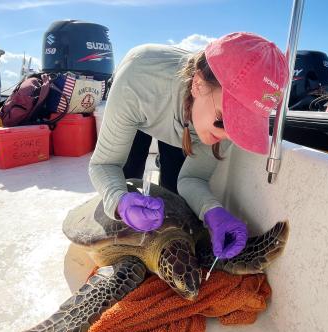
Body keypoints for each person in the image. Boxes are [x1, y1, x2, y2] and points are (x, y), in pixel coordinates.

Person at [89, 32, 289, 260]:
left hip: (188, 119)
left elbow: (191, 179)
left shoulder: (215, 121)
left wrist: (213, 211)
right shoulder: (136, 84)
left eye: (240, 125)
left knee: (174, 191)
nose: (227, 136)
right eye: (224, 120)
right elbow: (104, 164)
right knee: (126, 178)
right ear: (198, 84)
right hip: (143, 99)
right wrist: (118, 201)